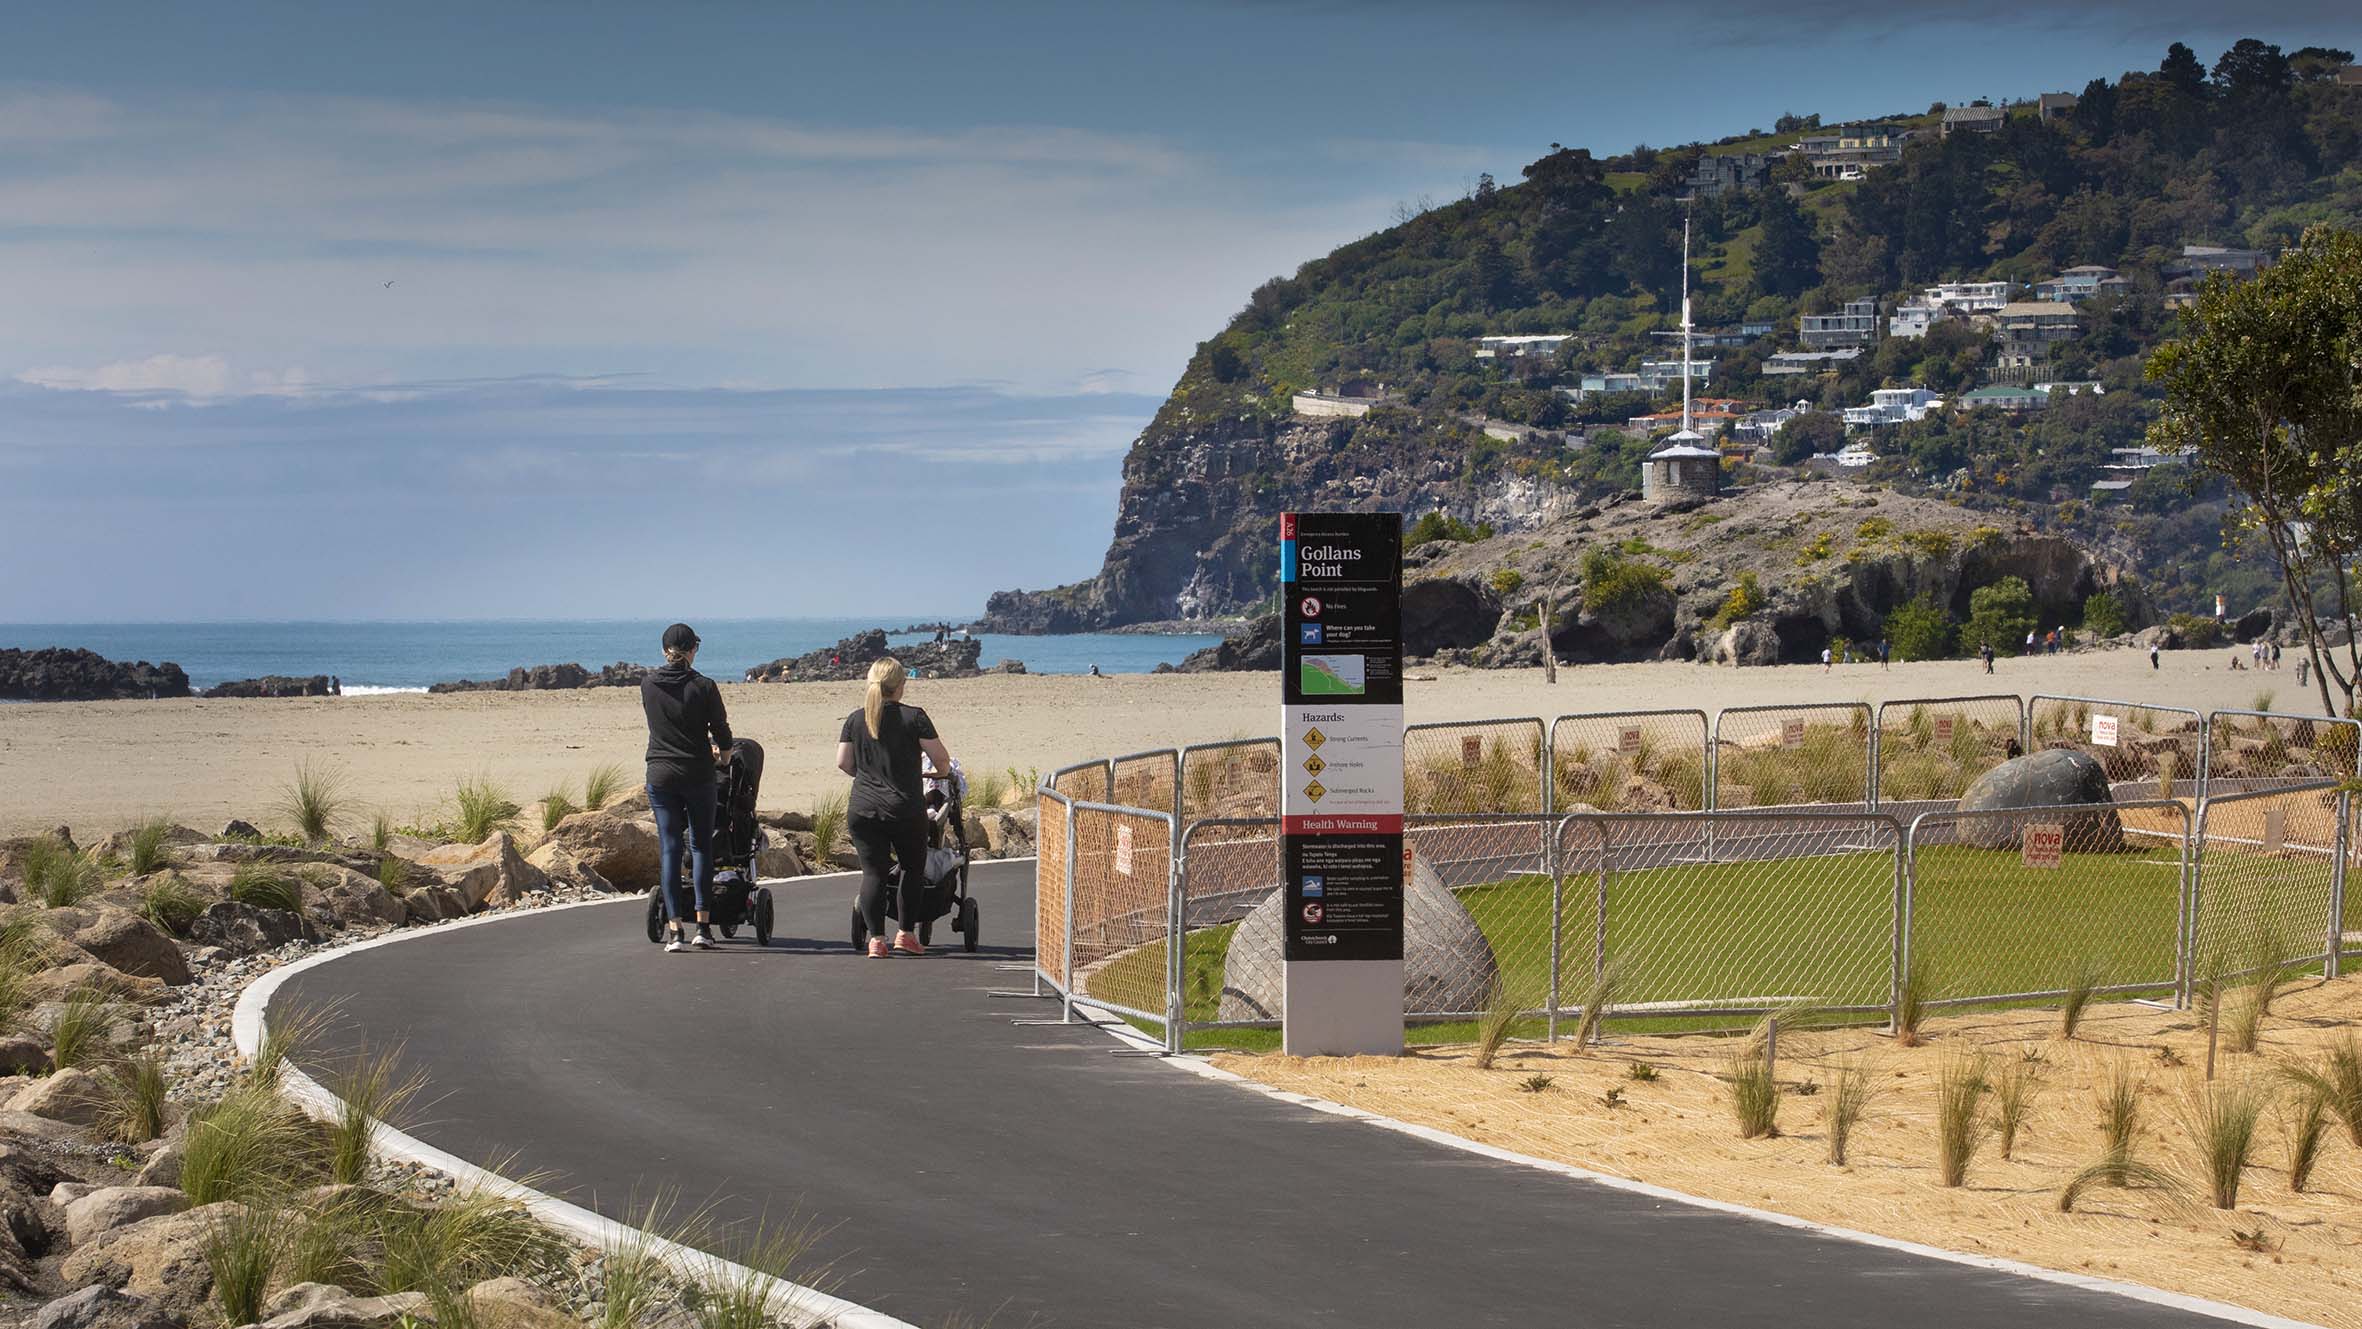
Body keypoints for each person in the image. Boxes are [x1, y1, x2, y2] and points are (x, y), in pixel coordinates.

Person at [839, 658, 955, 958]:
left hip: (863, 808)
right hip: (904, 807)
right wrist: (938, 774)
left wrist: (867, 778)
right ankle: (905, 934)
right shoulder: (914, 717)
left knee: (873, 872)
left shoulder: (855, 719)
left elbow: (843, 762)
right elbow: (940, 758)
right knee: (911, 869)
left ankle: (876, 940)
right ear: (900, 685)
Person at [643, 623, 733, 953]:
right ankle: (704, 927)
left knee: (669, 847)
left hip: (661, 773)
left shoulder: (648, 684)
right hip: (697, 773)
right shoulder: (704, 686)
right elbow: (721, 731)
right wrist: (723, 757)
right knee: (700, 847)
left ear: (663, 650)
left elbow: (664, 725)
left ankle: (674, 931)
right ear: (693, 650)